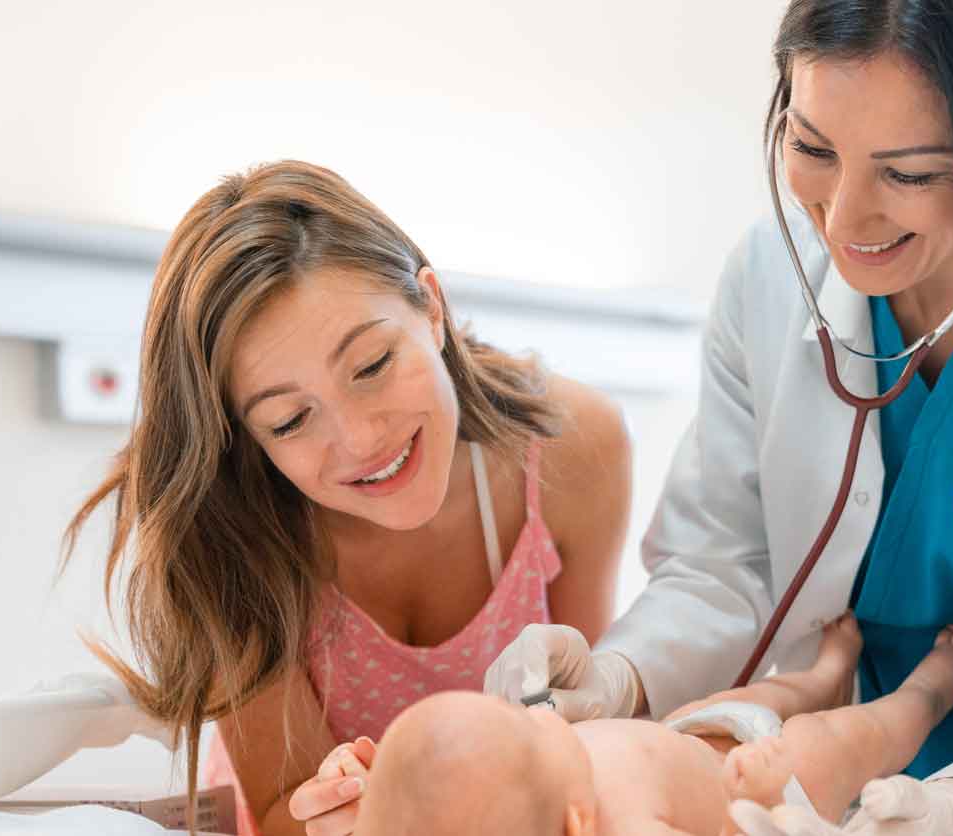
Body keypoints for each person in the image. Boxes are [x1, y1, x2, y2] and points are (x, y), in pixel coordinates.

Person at [485, 1, 953, 833]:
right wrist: (618, 675)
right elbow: (721, 565)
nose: (843, 217)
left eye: (909, 174)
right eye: (811, 149)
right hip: (824, 784)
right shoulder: (766, 273)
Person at [61, 160, 632, 836]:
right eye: (290, 421)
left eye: (371, 365)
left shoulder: (574, 446)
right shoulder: (226, 534)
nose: (361, 440)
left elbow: (593, 740)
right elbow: (280, 811)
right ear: (244, 438)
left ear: (431, 306)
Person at [349, 615, 953, 835]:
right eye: (530, 730)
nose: (534, 718)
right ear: (578, 823)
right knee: (858, 735)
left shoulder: (533, 781)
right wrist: (753, 796)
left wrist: (383, 787)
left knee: (779, 690)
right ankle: (932, 690)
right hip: (762, 781)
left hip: (690, 730)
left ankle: (828, 674)